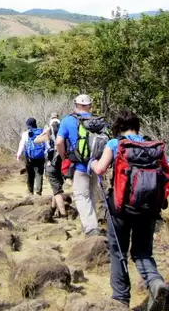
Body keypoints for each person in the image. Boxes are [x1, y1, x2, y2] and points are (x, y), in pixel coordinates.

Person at [91, 109, 169, 311]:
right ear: (137, 126)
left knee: (118, 251)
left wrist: (92, 163)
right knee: (143, 253)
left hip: (120, 208)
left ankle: (120, 299)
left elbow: (100, 169)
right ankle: (155, 283)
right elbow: (168, 173)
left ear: (118, 127)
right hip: (149, 208)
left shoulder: (115, 144)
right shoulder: (152, 146)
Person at [55, 94, 103, 237]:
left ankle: (91, 228)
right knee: (91, 195)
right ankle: (90, 224)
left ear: (76, 104)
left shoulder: (68, 120)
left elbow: (58, 142)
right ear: (90, 105)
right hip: (96, 165)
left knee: (81, 196)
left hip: (79, 165)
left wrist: (64, 157)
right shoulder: (97, 121)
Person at [33, 113, 68, 218]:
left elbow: (36, 141)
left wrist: (44, 134)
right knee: (57, 186)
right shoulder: (63, 127)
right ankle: (53, 209)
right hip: (62, 160)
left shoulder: (49, 129)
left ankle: (63, 214)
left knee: (57, 191)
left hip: (51, 161)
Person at [15, 118, 47, 196]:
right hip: (40, 157)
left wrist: (18, 154)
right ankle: (39, 192)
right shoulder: (42, 132)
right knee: (39, 174)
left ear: (28, 125)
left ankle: (30, 192)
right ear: (35, 124)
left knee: (30, 174)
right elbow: (46, 144)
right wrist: (47, 155)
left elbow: (22, 144)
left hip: (29, 158)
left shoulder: (26, 134)